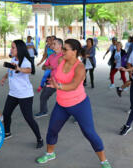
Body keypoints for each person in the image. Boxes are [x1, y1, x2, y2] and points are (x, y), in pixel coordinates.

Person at [35, 39, 112, 168]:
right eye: (62, 48)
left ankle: (104, 160)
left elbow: (74, 85)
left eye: (65, 49)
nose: (62, 51)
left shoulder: (80, 66)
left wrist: (57, 85)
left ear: (74, 51)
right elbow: (53, 72)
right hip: (61, 105)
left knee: (89, 133)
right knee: (52, 130)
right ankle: (50, 153)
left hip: (79, 104)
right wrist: (52, 80)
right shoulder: (60, 60)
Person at [1, 40, 43, 148]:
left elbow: (28, 70)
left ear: (19, 49)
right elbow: (10, 70)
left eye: (13, 47)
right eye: (11, 47)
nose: (11, 49)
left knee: (28, 118)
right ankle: (7, 133)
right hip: (13, 93)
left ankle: (40, 138)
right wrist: (5, 77)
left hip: (25, 95)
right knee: (6, 114)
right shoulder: (13, 59)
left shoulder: (25, 61)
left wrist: (18, 68)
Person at [34, 38, 64, 118]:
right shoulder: (51, 56)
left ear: (60, 45)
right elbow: (44, 67)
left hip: (64, 81)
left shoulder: (65, 56)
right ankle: (43, 111)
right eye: (52, 44)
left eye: (54, 44)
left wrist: (51, 67)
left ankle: (78, 116)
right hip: (52, 81)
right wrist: (47, 67)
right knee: (43, 95)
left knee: (69, 99)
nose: (52, 45)